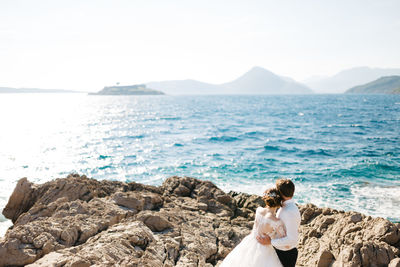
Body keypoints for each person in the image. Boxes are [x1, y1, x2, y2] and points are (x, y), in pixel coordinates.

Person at [220, 188, 286, 267]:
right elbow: (284, 240)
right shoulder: (276, 222)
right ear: (279, 201)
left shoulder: (259, 210)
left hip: (251, 241)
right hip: (265, 249)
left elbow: (255, 228)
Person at [256, 178, 301, 267]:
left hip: (286, 254)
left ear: (280, 193)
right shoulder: (285, 207)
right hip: (280, 250)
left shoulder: (288, 212)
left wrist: (271, 242)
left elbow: (292, 239)